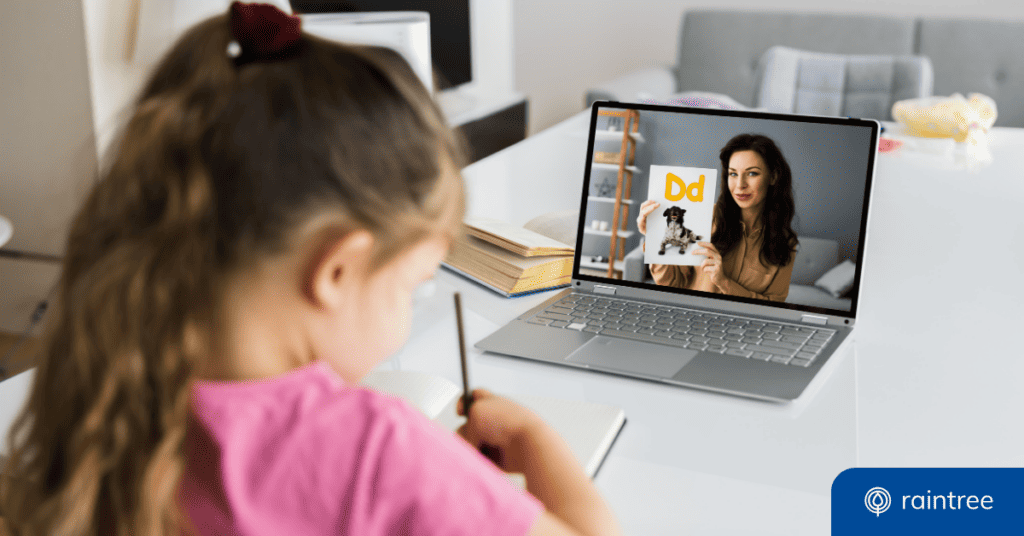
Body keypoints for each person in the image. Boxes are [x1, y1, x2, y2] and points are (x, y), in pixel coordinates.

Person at [0, 4, 620, 536]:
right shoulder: (378, 453)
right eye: (412, 284)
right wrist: (537, 441)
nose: (407, 314)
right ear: (337, 270)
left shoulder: (101, 392)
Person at [637, 134, 798, 301]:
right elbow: (671, 283)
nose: (740, 185)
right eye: (733, 174)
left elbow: (773, 306)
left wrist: (724, 283)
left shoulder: (786, 242)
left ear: (773, 176)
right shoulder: (704, 216)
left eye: (752, 174)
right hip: (693, 318)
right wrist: (654, 235)